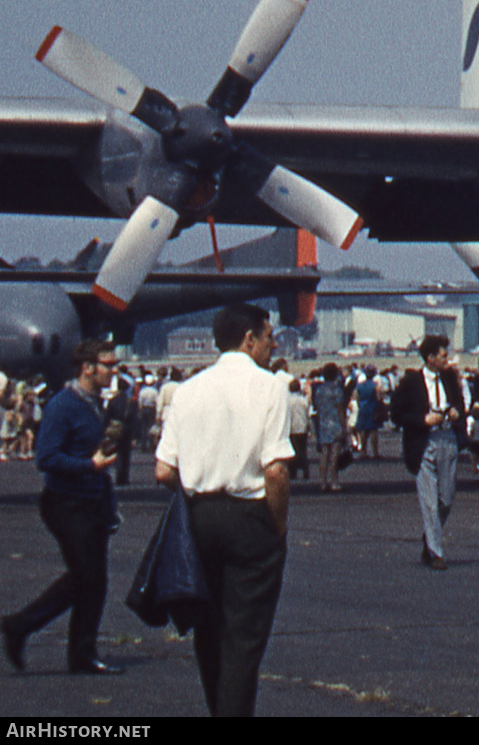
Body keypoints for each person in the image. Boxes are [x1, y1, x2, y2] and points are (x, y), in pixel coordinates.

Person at [154, 304, 293, 717]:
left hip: (198, 519)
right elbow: (277, 470)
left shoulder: (188, 389)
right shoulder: (270, 387)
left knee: (209, 633)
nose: (273, 345)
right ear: (249, 339)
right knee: (243, 641)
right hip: (249, 518)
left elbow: (163, 470)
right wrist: (278, 526)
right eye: (269, 337)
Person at [3, 338, 122, 674]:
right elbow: (46, 457)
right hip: (65, 503)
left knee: (96, 581)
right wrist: (89, 466)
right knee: (86, 576)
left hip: (93, 501)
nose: (114, 370)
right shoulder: (62, 405)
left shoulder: (95, 403)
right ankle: (18, 625)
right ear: (87, 368)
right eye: (108, 364)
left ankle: (82, 654)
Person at [393, 336, 466, 570]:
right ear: (430, 358)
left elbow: (460, 406)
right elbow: (396, 414)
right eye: (443, 356)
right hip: (424, 442)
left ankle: (429, 536)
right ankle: (436, 553)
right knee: (429, 502)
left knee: (446, 498)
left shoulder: (450, 378)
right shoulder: (411, 382)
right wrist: (422, 420)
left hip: (447, 439)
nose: (447, 359)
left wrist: (456, 414)